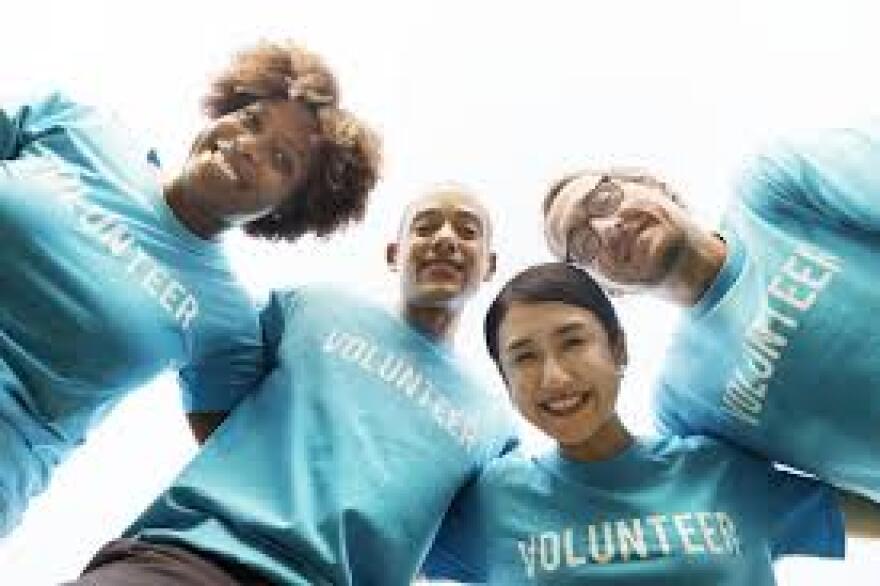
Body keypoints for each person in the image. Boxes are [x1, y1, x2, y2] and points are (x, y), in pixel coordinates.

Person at [0, 40, 381, 536]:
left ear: (285, 210)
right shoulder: (75, 126)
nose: (247, 147)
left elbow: (259, 473)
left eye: (281, 160)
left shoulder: (228, 323)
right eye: (251, 121)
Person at [67, 184, 516, 585]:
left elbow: (463, 551)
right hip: (192, 558)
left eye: (467, 231)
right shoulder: (311, 308)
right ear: (394, 253)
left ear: (490, 265)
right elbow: (214, 366)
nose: (445, 239)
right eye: (425, 226)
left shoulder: (495, 426)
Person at [425, 262, 879, 585]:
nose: (555, 377)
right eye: (523, 357)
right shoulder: (491, 499)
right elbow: (363, 536)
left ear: (618, 350)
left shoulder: (719, 469)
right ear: (505, 379)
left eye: (573, 342)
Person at [541, 129, 880, 503]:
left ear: (656, 185)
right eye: (584, 244)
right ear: (609, 289)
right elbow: (776, 511)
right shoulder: (683, 404)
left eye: (604, 198)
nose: (607, 228)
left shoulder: (773, 191)